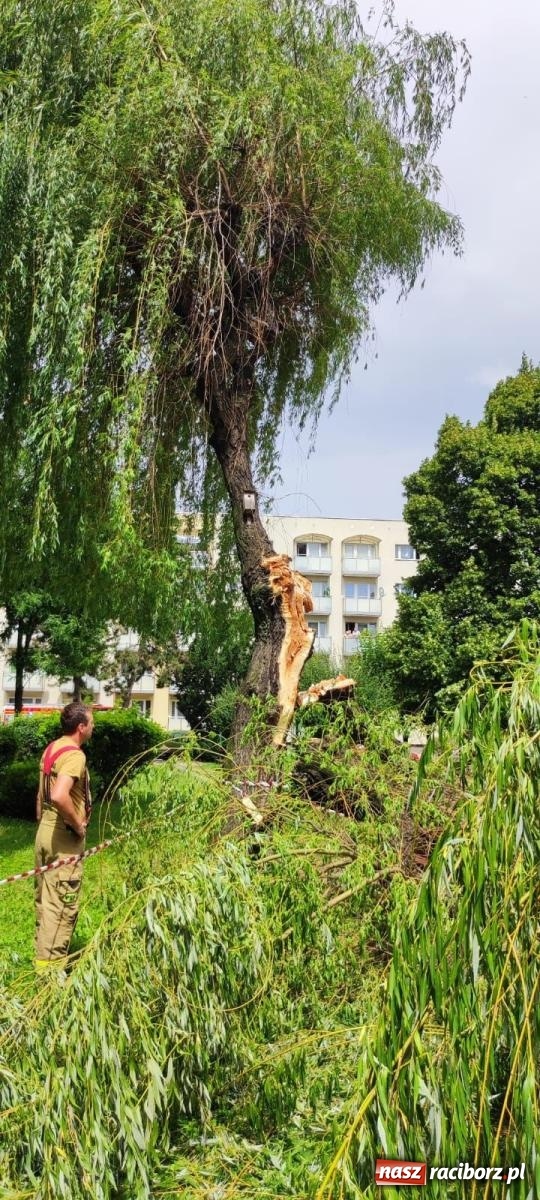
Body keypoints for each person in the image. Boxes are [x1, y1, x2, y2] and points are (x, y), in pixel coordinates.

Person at [34, 701, 94, 972]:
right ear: (81, 727)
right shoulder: (75, 755)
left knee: (46, 902)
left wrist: (44, 824)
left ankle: (41, 964)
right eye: (91, 723)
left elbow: (42, 796)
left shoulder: (52, 748)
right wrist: (78, 826)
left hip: (44, 833)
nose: (93, 727)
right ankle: (51, 978)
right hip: (63, 838)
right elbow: (59, 795)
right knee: (61, 907)